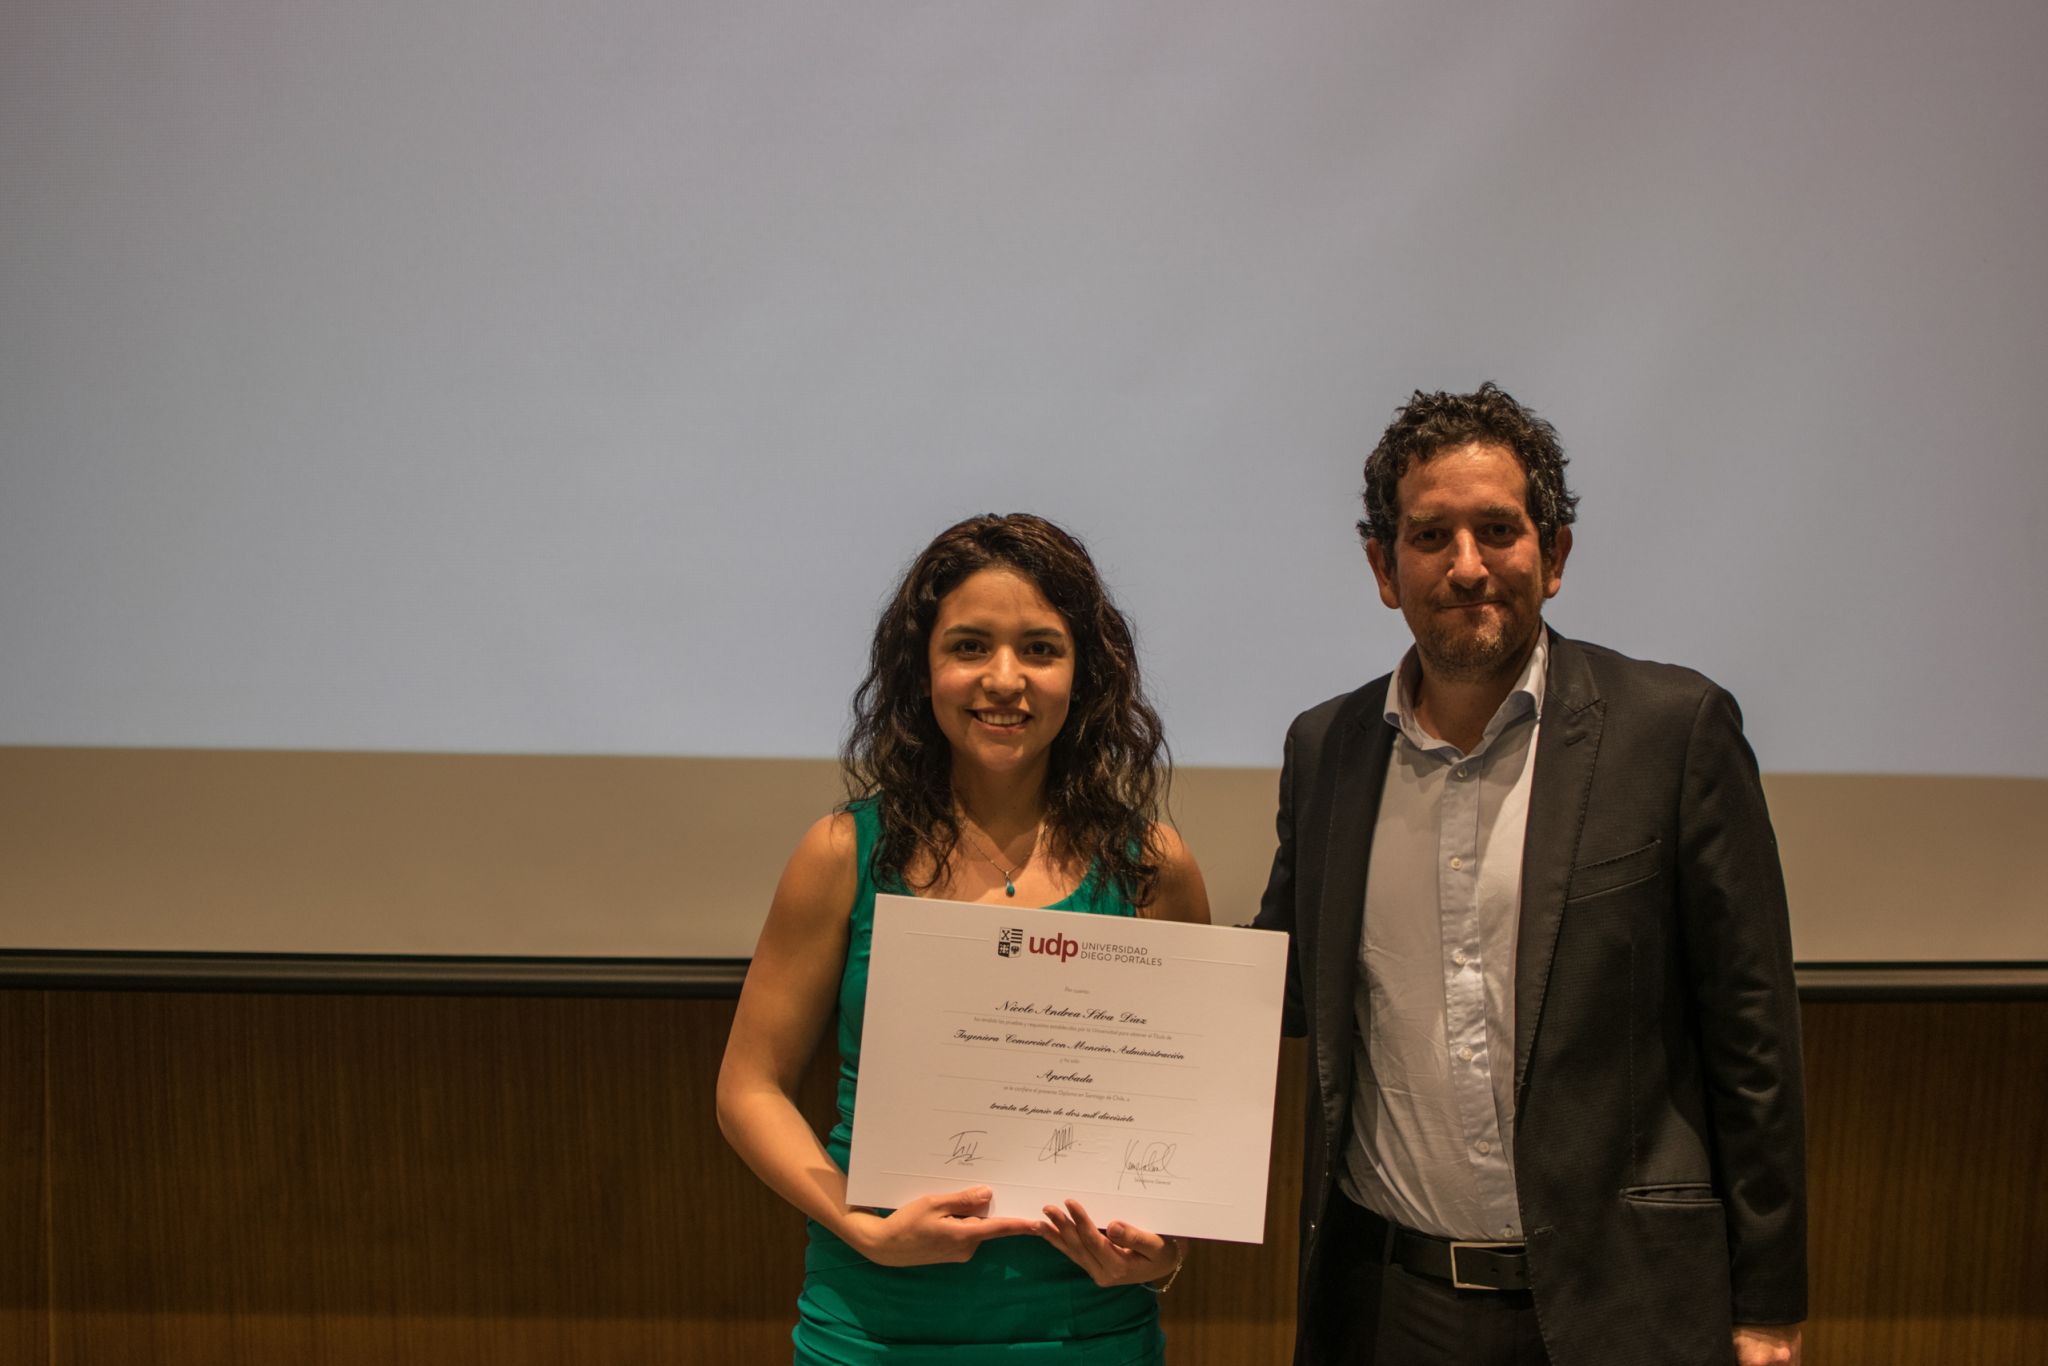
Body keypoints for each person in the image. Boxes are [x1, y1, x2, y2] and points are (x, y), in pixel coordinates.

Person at [1252, 384, 1806, 1366]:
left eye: (1497, 530)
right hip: (1389, 1306)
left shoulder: (1671, 731)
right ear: (1384, 568)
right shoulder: (1325, 748)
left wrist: (1767, 1300)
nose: (1466, 566)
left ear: (1553, 555)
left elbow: (1750, 1030)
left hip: (1622, 1305)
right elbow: (1281, 986)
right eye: (1430, 536)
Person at [718, 512, 1210, 1364]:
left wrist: (1169, 1251)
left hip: (1086, 1335)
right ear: (923, 669)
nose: (1004, 680)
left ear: (1085, 674)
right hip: (872, 1329)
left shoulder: (1152, 868)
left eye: (1041, 649)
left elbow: (1190, 1123)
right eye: (970, 647)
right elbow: (748, 1088)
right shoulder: (841, 854)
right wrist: (859, 1226)